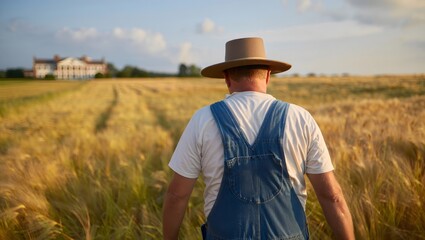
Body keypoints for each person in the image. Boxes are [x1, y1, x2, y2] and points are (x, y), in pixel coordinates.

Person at [162, 37, 354, 240]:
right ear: (268, 75)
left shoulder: (203, 120)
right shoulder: (300, 118)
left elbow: (177, 196)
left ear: (226, 78)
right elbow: (332, 197)